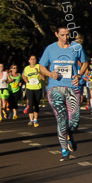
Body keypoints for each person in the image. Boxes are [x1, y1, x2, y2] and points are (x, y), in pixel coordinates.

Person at [37, 27, 87, 157]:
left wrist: (79, 75)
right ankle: (64, 147)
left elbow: (85, 63)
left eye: (67, 35)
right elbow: (41, 66)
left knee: (74, 120)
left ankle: (69, 134)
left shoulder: (77, 47)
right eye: (62, 35)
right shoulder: (50, 49)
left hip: (72, 87)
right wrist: (49, 73)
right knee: (61, 118)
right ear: (56, 35)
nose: (65, 38)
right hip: (55, 88)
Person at [23, 56, 44, 127]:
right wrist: (25, 80)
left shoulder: (39, 67)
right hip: (29, 88)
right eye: (31, 59)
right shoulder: (26, 68)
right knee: (31, 103)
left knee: (36, 104)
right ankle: (31, 120)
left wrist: (38, 72)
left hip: (38, 88)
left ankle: (35, 119)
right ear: (29, 60)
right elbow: (23, 75)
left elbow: (43, 78)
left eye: (34, 59)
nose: (33, 60)